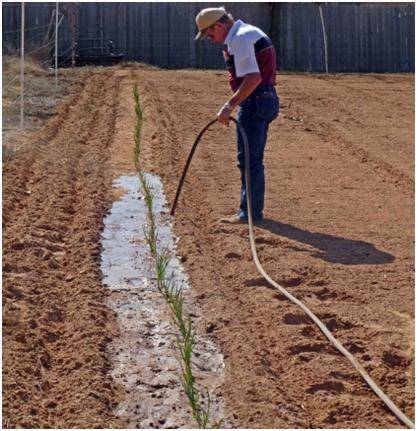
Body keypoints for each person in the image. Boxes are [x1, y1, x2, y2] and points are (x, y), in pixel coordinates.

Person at [195, 7, 279, 224]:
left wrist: (229, 105)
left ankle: (249, 214)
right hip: (265, 99)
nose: (212, 40)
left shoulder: (241, 39)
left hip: (256, 101)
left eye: (210, 35)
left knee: (249, 160)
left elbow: (253, 78)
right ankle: (250, 211)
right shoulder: (247, 34)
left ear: (219, 26)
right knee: (252, 159)